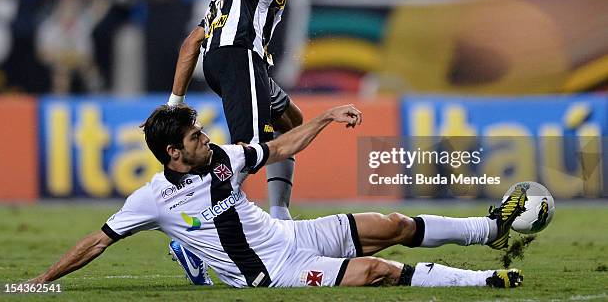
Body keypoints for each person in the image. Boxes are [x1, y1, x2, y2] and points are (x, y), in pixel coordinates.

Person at [29, 103, 525, 289]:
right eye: (194, 137)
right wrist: (42, 282)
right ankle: (485, 281)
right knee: (377, 271)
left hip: (290, 234)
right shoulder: (153, 199)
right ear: (172, 154)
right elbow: (99, 240)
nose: (205, 138)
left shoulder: (222, 156)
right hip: (274, 271)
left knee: (389, 224)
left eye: (201, 132)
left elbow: (279, 146)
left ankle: (493, 229)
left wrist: (326, 118)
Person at [166, 0, 334, 283]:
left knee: (291, 122)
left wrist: (172, 106)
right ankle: (194, 237)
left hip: (230, 61)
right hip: (239, 55)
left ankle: (279, 216)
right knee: (252, 148)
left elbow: (191, 43)